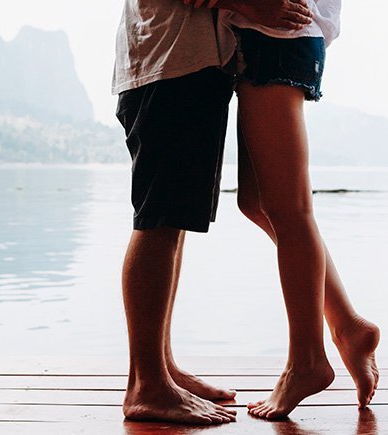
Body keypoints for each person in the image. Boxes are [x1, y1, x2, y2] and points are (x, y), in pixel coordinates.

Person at [112, 0, 315, 425]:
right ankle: (146, 385)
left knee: (174, 220)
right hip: (168, 61)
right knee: (158, 220)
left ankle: (161, 368)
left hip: (188, 63)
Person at [194, 0, 382, 420]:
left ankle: (308, 361)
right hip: (269, 37)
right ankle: (349, 328)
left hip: (276, 37)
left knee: (289, 208)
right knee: (258, 204)